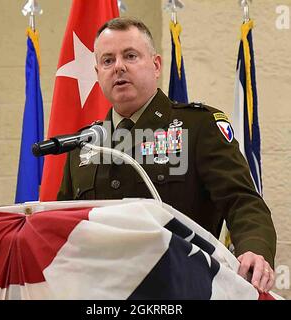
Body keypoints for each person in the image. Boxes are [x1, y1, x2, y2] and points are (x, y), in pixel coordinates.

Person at [57, 17, 276, 293]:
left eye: (131, 56)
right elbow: (61, 223)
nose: (119, 67)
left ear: (156, 65)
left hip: (181, 287)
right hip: (98, 292)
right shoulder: (84, 145)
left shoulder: (197, 127)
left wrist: (255, 249)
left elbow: (242, 201)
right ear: (98, 71)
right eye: (108, 60)